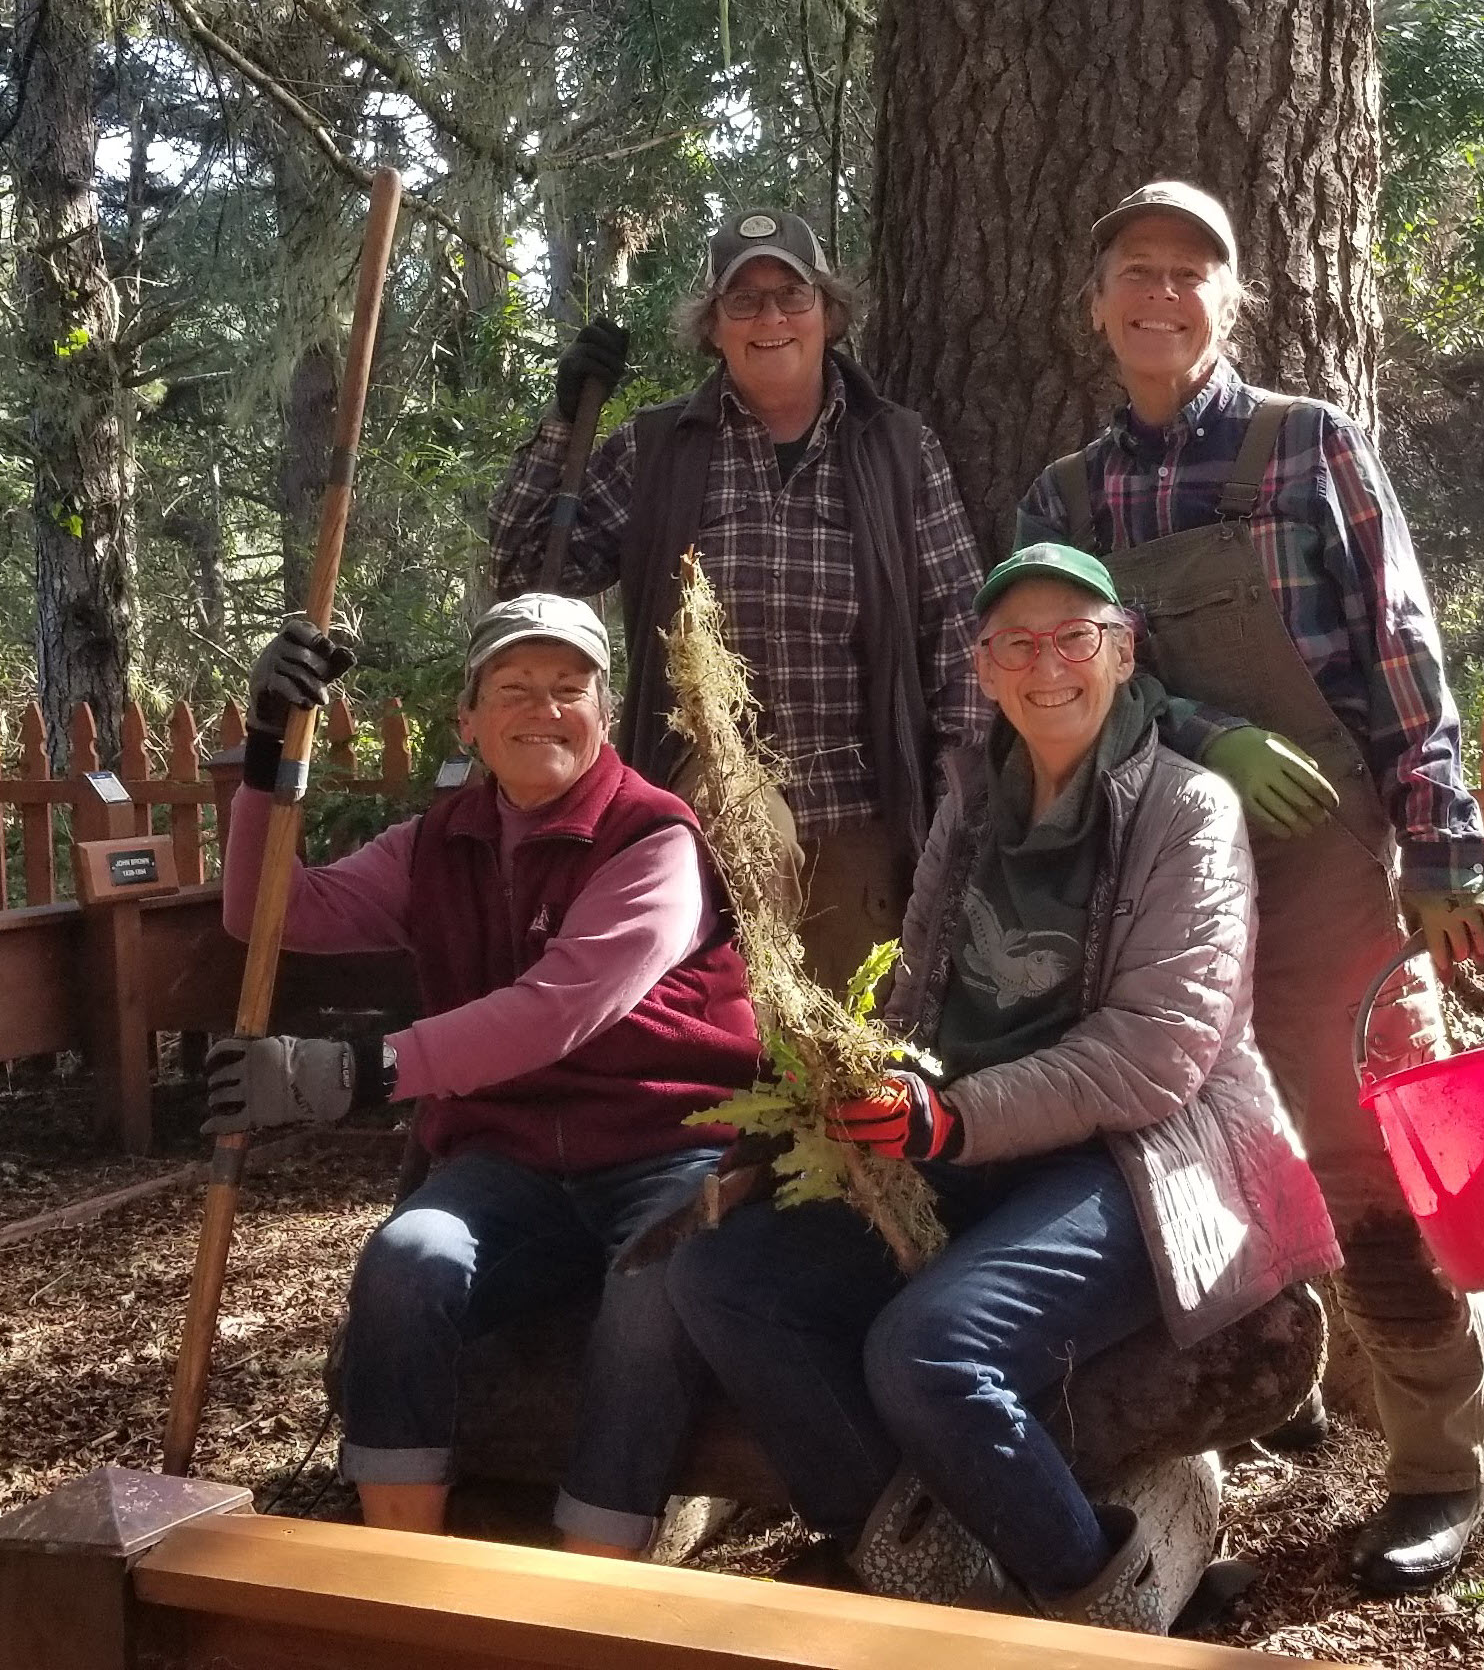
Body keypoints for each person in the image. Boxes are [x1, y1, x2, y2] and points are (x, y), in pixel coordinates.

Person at [662, 543, 1341, 1633]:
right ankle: (914, 1571)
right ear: (982, 668)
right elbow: (918, 995)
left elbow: (1155, 1052)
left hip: (1136, 1162)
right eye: (1015, 644)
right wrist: (862, 1080)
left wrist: (950, 1115)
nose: (1046, 665)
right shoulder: (971, 807)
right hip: (962, 1146)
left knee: (931, 1350)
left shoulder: (1188, 809)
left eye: (1074, 638)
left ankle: (1090, 1604)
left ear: (1121, 655)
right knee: (724, 1280)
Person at [1013, 179, 1484, 1595]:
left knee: (1366, 1156)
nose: (1161, 296)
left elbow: (1402, 650)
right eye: (1135, 273)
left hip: (1326, 861)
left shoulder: (1310, 447)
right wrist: (1197, 727)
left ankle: (1437, 1466)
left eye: (1190, 274)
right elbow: (1054, 677)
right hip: (1148, 863)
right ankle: (1243, 1406)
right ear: (1095, 303)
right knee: (1170, 1155)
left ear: (1228, 302)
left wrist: (1443, 850)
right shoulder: (1063, 496)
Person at [203, 593, 759, 1555]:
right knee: (406, 1262)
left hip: (668, 1148)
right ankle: (403, 1566)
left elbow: (562, 1005)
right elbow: (266, 911)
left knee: (648, 1295)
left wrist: (362, 1071)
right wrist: (265, 753)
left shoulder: (654, 840)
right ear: (469, 720)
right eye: (513, 687)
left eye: (568, 688)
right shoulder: (437, 841)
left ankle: (594, 1584)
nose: (542, 708)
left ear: (604, 713)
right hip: (509, 1167)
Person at [488, 209, 985, 992]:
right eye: (743, 302)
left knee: (852, 1071)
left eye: (791, 295)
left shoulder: (898, 451)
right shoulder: (658, 453)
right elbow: (522, 571)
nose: (771, 318)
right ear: (712, 329)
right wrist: (561, 422)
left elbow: (958, 625)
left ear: (830, 314)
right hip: (702, 812)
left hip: (865, 819)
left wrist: (962, 793)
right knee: (729, 1063)